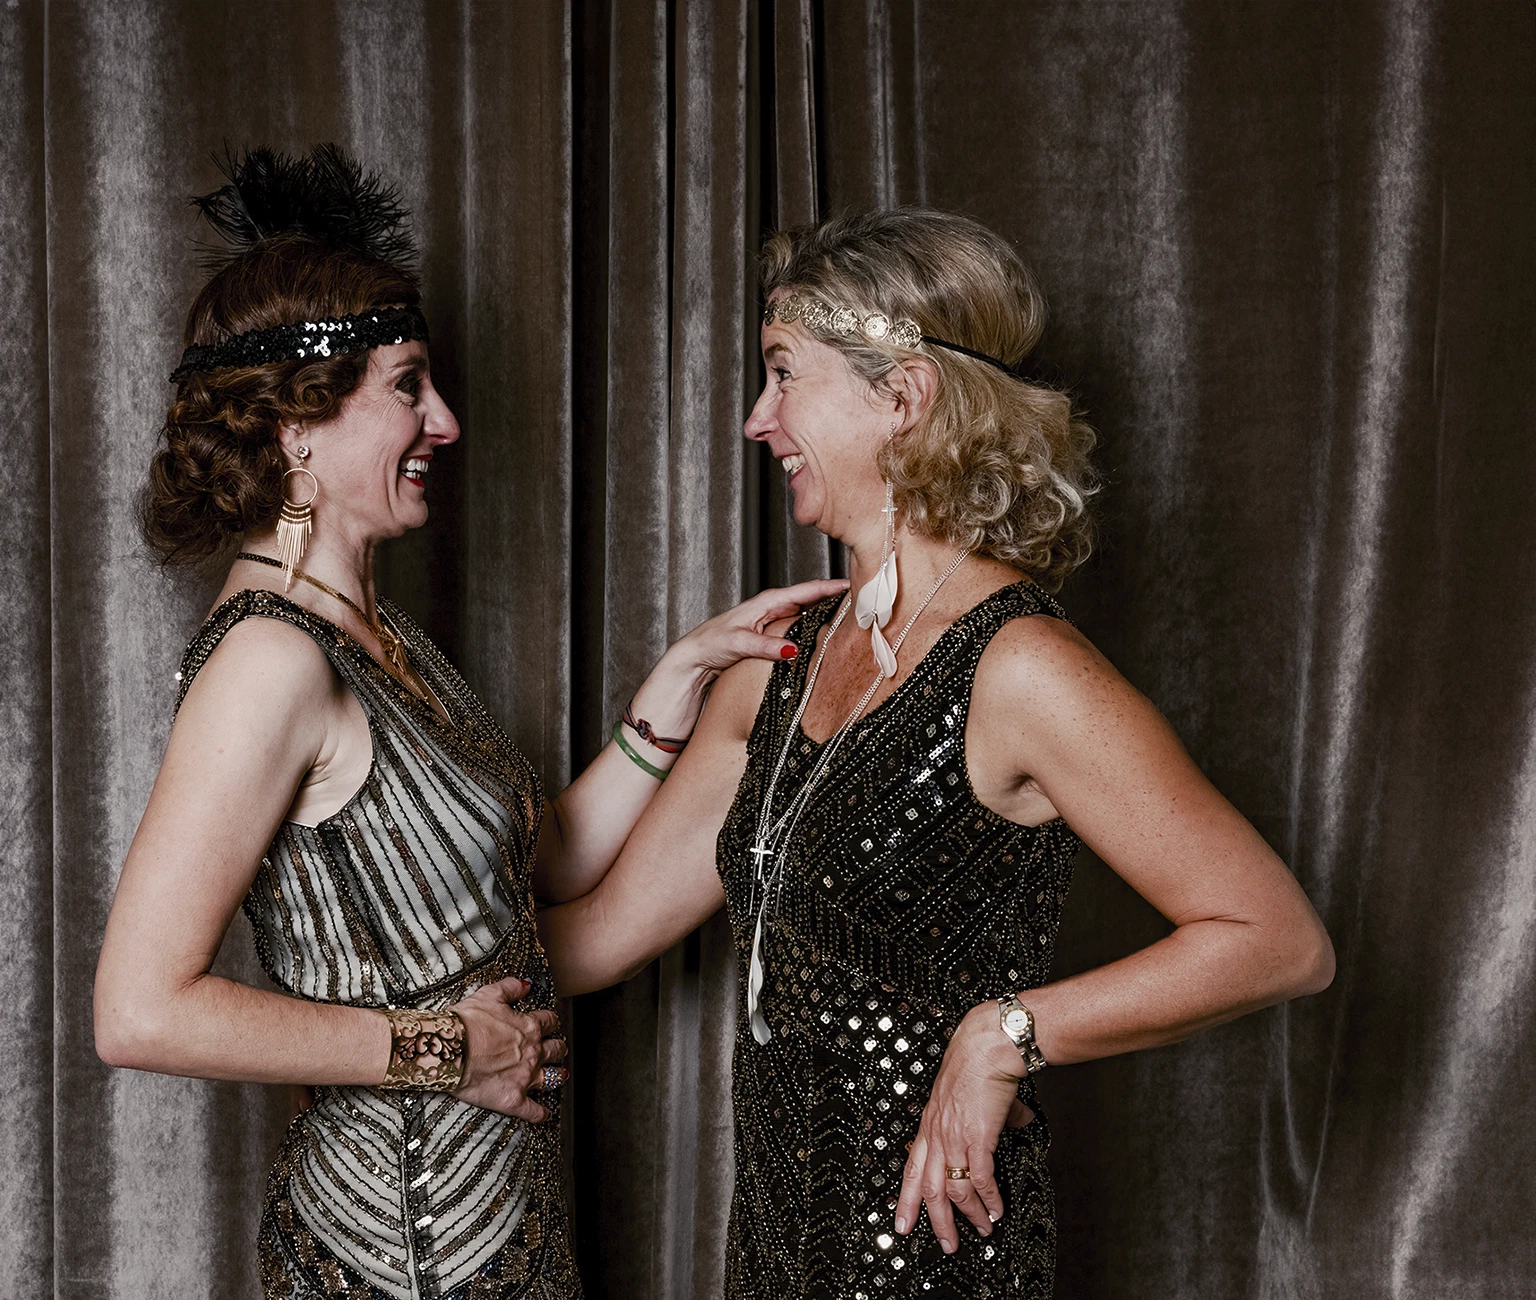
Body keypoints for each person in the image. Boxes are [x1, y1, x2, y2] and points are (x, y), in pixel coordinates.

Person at [538, 207, 1337, 1299]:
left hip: (936, 1252)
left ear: (902, 399)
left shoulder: (1021, 668)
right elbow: (585, 943)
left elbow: (1277, 940)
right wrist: (362, 1028)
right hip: (776, 1251)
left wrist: (1004, 1035)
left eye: (783, 375)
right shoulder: (768, 672)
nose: (756, 420)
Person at [91, 145, 844, 1300]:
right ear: (297, 425)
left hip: (503, 1238)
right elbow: (138, 1009)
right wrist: (441, 1047)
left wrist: (670, 696)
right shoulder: (267, 660)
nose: (443, 420)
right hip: (396, 1255)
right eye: (407, 385)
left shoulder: (374, 632)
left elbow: (528, 875)